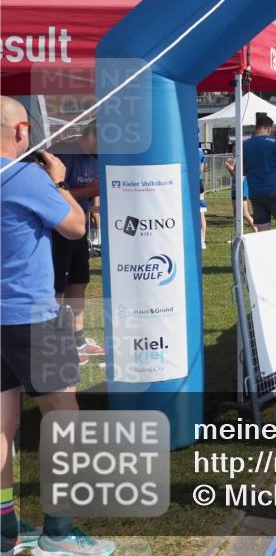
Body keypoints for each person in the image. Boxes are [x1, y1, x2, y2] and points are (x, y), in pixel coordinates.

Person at [1, 97, 115, 556]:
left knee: (2, 425)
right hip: (31, 314)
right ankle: (59, 530)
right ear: (23, 130)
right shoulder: (25, 176)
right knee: (64, 420)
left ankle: (5, 531)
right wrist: (62, 183)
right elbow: (74, 227)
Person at [50, 124, 103, 366]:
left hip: (79, 229)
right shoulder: (63, 154)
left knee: (79, 281)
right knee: (57, 287)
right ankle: (57, 339)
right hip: (57, 230)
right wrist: (88, 190)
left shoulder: (93, 157)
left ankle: (77, 337)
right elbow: (53, 192)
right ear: (93, 136)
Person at [243, 114, 276, 231]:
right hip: (274, 189)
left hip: (255, 191)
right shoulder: (274, 142)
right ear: (269, 128)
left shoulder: (245, 145)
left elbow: (242, 169)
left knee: (262, 227)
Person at [224, 158, 256, 234]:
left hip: (242, 188)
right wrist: (229, 169)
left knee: (245, 214)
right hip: (235, 188)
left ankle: (257, 231)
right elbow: (234, 175)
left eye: (234, 148)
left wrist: (229, 167)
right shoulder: (236, 159)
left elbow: (239, 174)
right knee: (236, 214)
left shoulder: (242, 158)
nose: (233, 150)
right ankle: (237, 235)